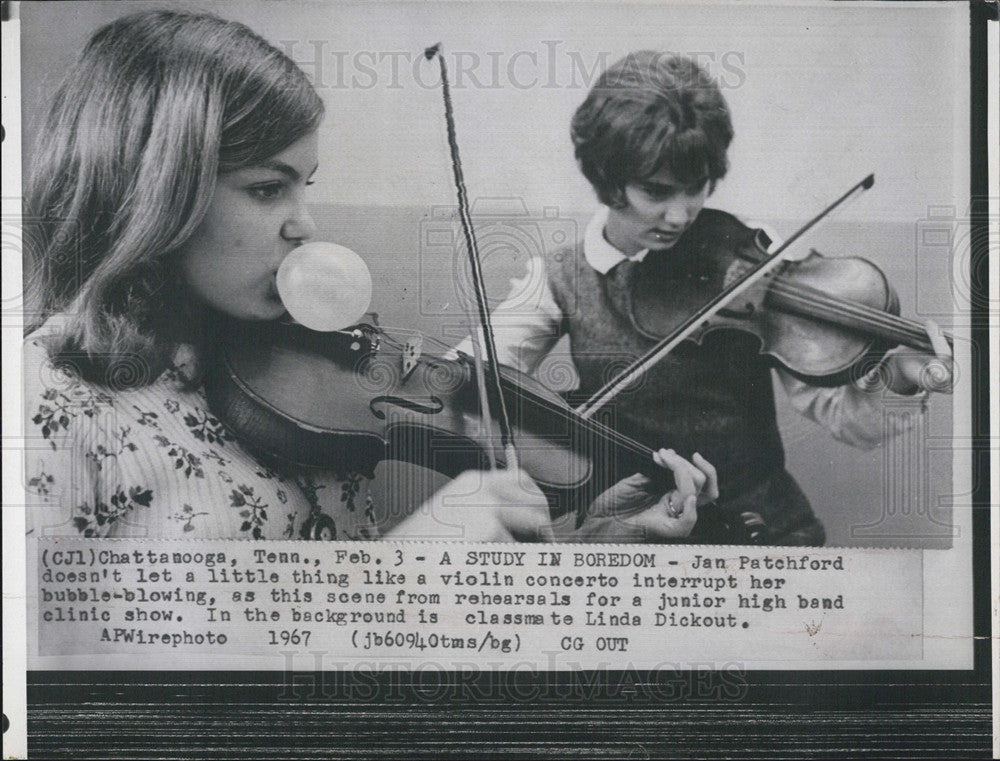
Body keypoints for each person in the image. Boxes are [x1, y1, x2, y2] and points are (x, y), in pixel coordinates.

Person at [22, 11, 717, 543]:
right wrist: (407, 561)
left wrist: (597, 539)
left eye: (306, 186)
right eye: (269, 189)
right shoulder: (40, 397)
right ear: (156, 191)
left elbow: (347, 625)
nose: (305, 225)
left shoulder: (297, 361)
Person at [454, 51, 954, 545]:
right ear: (608, 181)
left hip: (763, 532)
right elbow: (465, 382)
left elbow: (842, 415)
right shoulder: (563, 277)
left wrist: (896, 381)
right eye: (657, 191)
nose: (680, 214)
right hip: (632, 538)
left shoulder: (749, 258)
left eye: (695, 189)